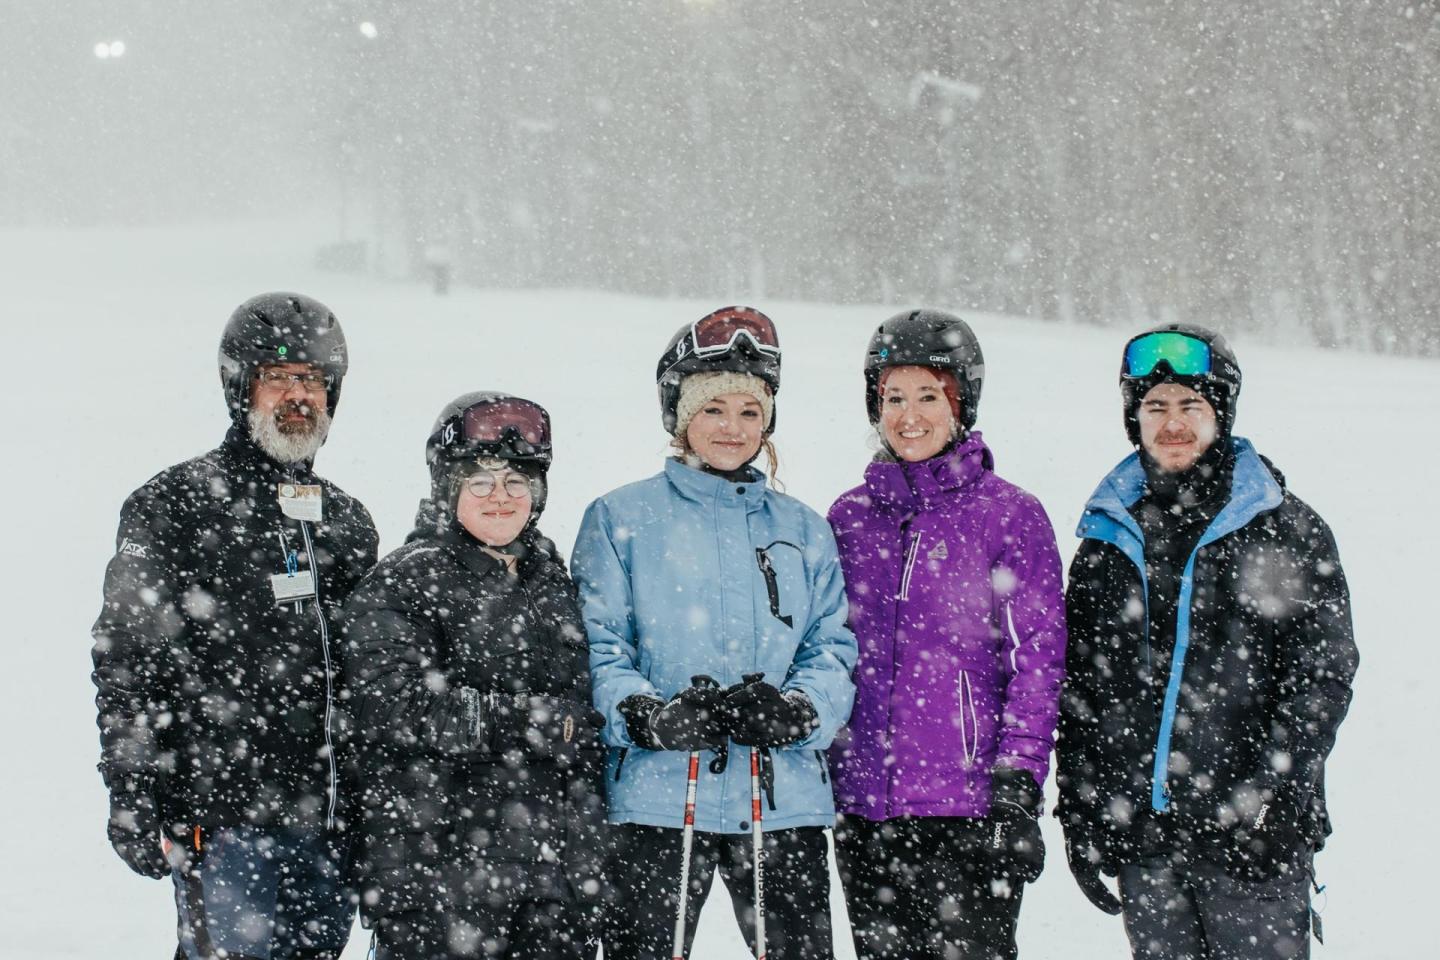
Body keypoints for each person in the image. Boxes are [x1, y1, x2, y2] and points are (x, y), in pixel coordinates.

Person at [1055, 323, 1358, 960]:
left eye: (1191, 406)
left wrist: (1273, 791)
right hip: (1147, 844)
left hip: (1254, 841)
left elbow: (1324, 674)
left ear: (1221, 411)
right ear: (1133, 418)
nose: (1173, 425)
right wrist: (1081, 807)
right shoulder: (1107, 540)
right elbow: (1079, 687)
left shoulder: (1286, 528)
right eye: (1155, 406)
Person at [91, 292, 379, 960]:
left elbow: (370, 672)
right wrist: (133, 791)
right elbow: (125, 660)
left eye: (311, 380)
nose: (296, 396)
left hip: (327, 827)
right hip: (220, 825)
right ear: (240, 388)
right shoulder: (172, 505)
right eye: (277, 379)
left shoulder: (345, 521)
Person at [571, 306, 857, 960]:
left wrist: (798, 711)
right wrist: (647, 716)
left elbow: (831, 647)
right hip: (659, 800)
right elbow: (599, 646)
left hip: (780, 799)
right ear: (679, 417)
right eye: (713, 409)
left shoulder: (804, 528)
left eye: (750, 411)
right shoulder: (621, 517)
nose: (732, 427)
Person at [826, 310, 1068, 960]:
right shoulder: (849, 517)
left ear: (961, 404)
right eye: (893, 396)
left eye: (929, 396)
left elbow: (1037, 663)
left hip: (968, 813)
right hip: (865, 810)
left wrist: (1017, 782)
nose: (909, 415)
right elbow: (827, 653)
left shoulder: (1009, 515)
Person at [341, 393, 609, 960]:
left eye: (518, 482)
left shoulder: (551, 580)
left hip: (551, 883)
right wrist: (523, 721)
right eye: (481, 482)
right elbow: (389, 707)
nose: (501, 498)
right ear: (448, 488)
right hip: (437, 881)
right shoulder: (404, 581)